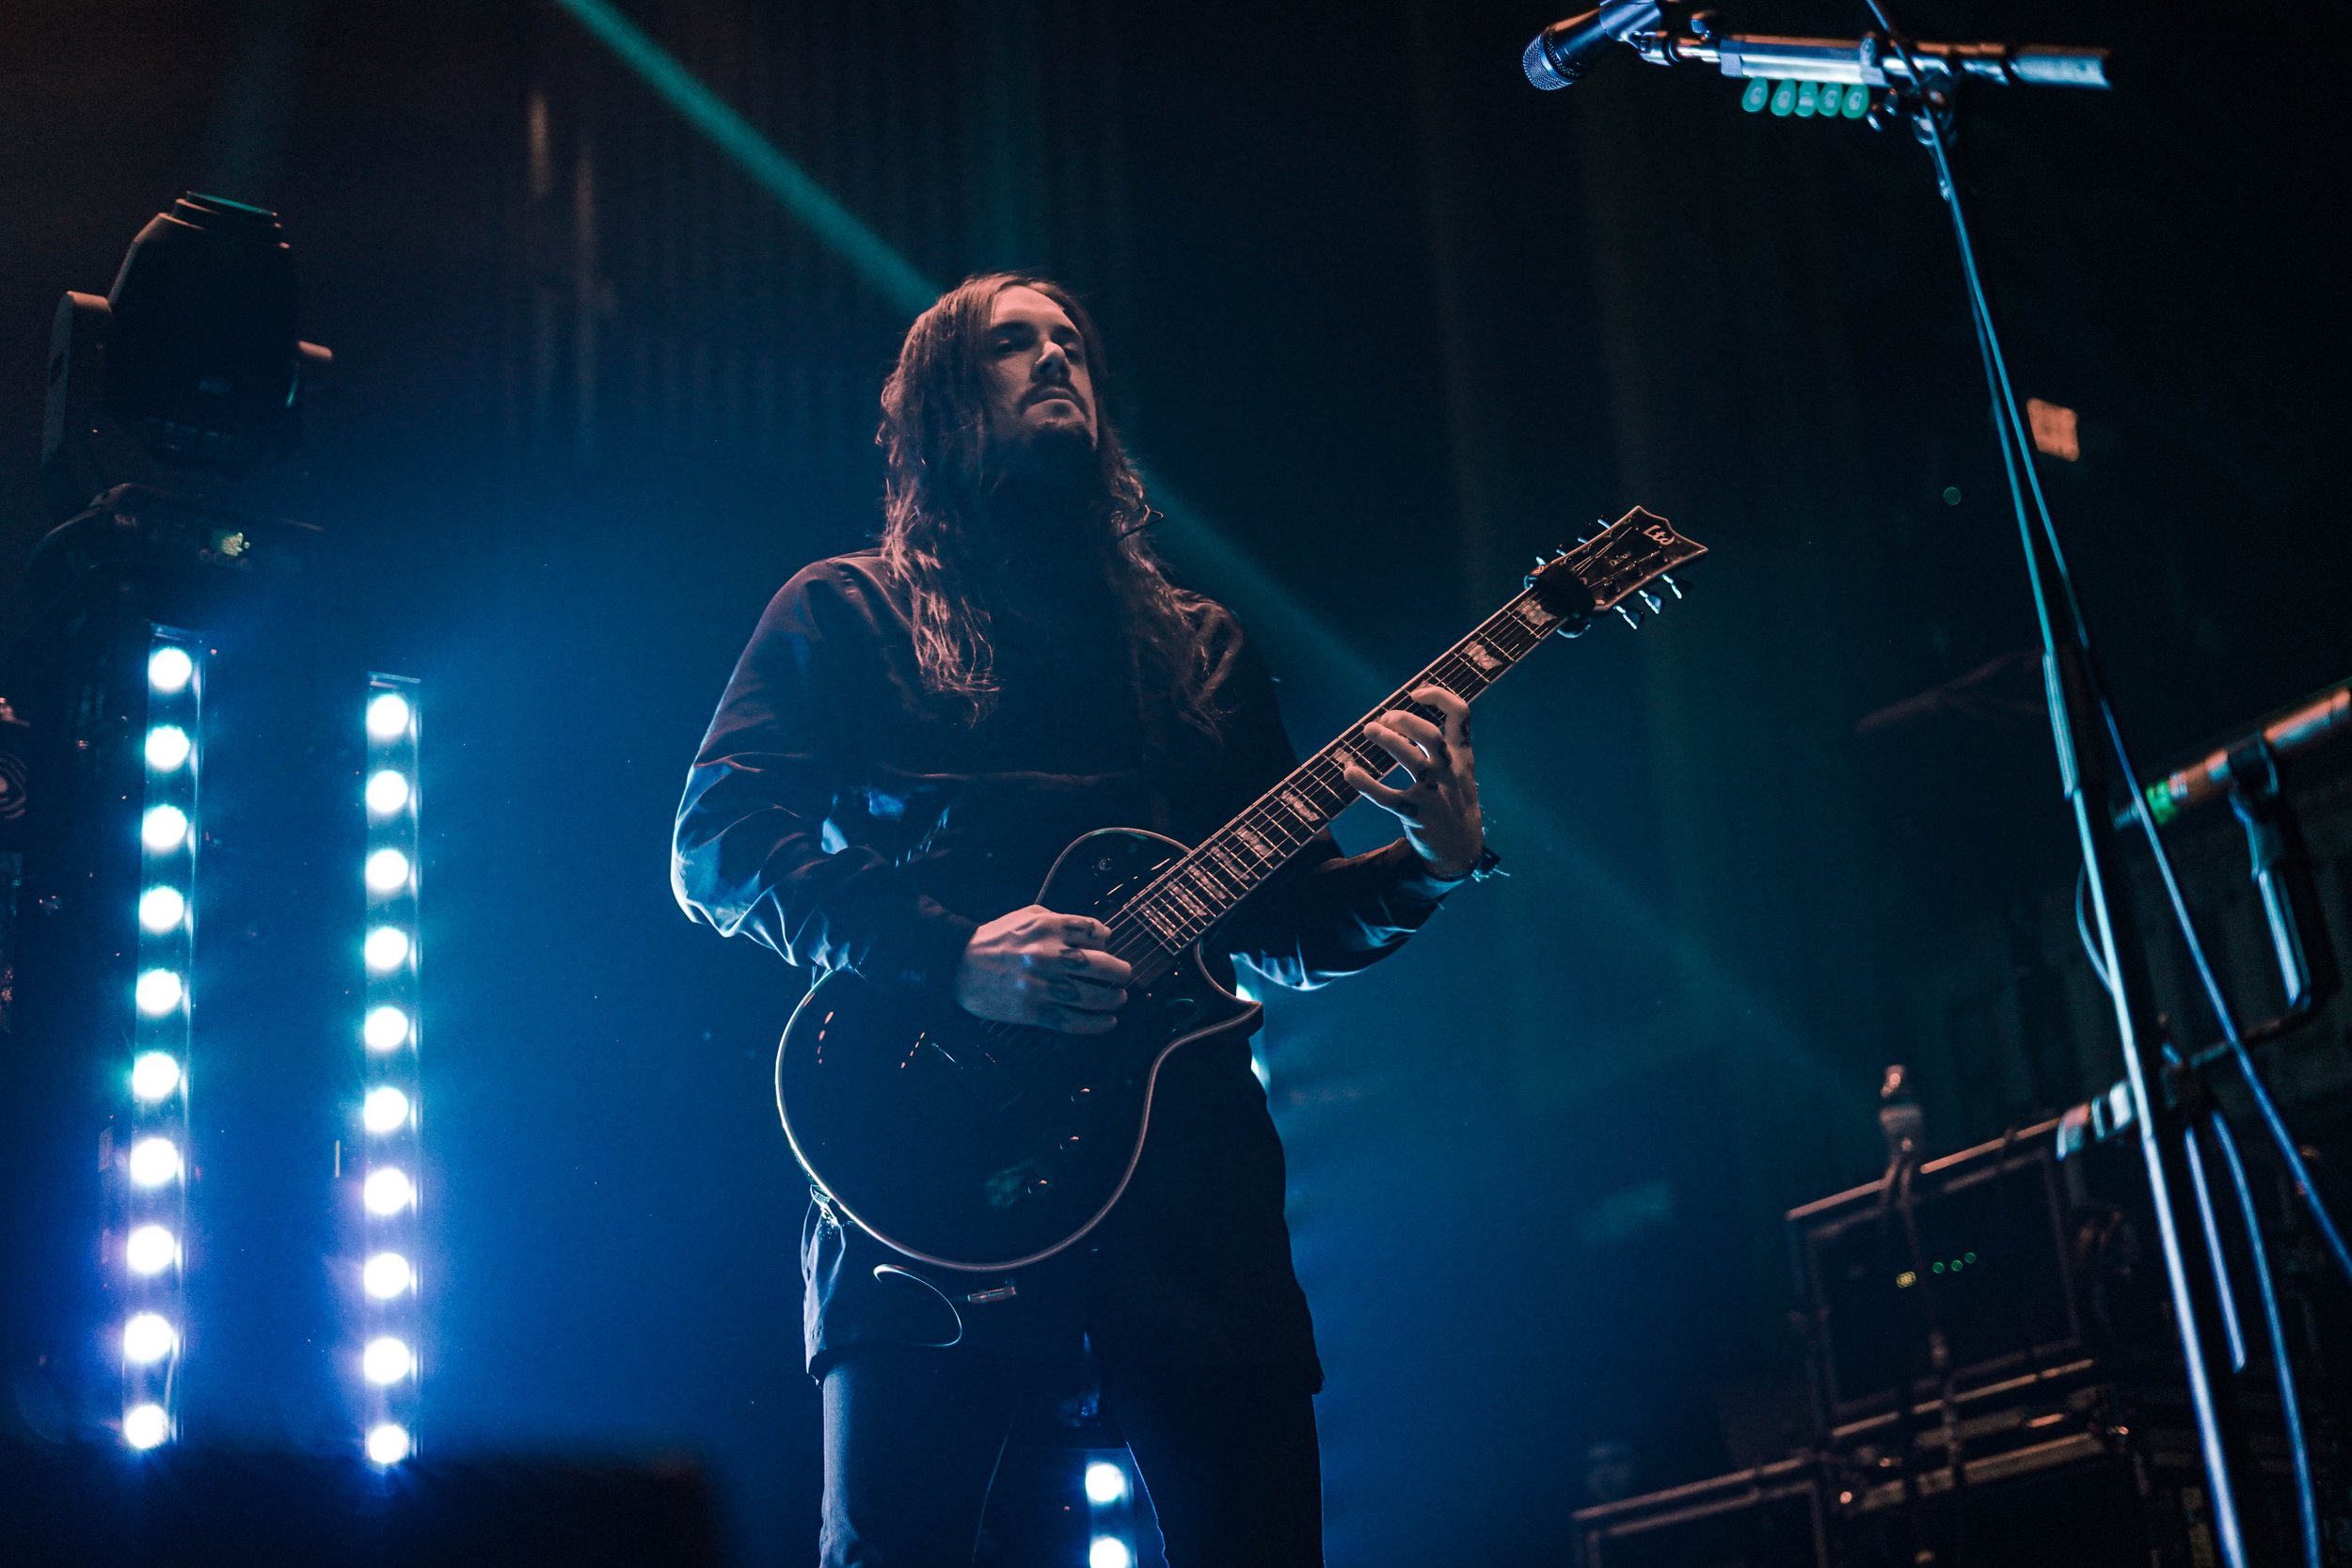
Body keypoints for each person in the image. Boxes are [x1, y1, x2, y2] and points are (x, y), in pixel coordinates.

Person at [672, 272, 1489, 1567]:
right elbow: (717, 846)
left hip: (1190, 1187)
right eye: (1013, 345)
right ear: (941, 405)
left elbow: (1270, 921)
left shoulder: (1200, 647)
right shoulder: (843, 612)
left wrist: (1430, 865)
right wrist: (953, 957)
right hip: (925, 1154)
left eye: (1073, 346)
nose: (1058, 362)